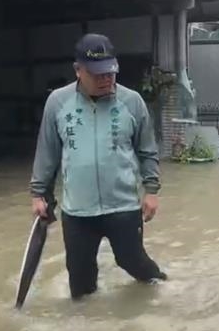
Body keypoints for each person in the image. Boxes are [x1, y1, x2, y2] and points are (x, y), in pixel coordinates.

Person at [29, 34, 166, 300]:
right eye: (97, 74)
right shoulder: (57, 102)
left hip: (123, 206)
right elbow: (48, 152)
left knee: (133, 262)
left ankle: (162, 287)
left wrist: (151, 190)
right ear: (78, 71)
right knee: (79, 282)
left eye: (111, 72)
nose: (106, 79)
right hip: (78, 211)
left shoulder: (132, 102)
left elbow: (148, 151)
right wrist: (38, 193)